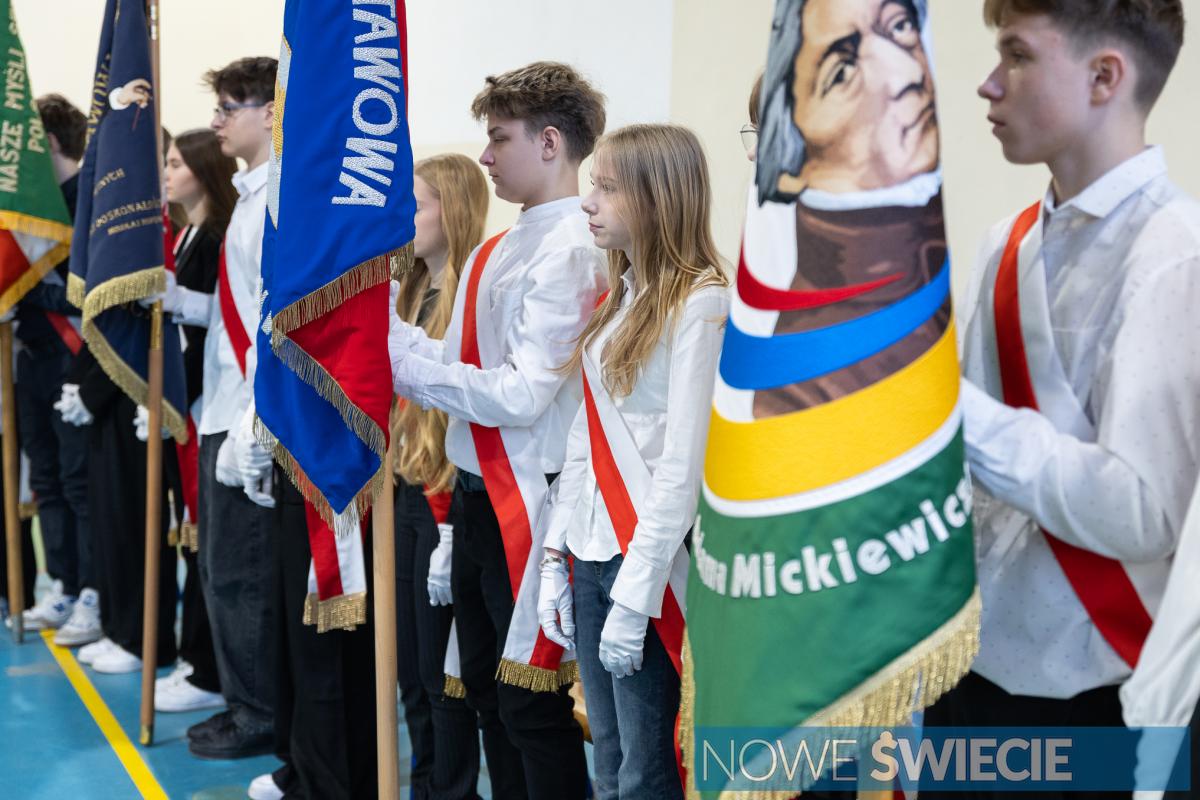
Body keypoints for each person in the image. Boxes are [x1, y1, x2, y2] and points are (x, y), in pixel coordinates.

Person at [922, 3, 1200, 799]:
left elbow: (1143, 511)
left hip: (1094, 695)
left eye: (1016, 55)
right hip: (971, 665)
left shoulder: (1178, 253)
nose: (988, 83)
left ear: (1104, 76)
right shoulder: (1005, 242)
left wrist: (946, 406)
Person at [390, 61, 607, 800]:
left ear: (550, 143)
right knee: (483, 689)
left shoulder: (571, 247)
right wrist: (389, 339)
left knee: (530, 701)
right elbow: (455, 363)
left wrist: (404, 367)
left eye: (499, 138)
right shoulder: (498, 247)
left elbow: (521, 394)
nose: (485, 156)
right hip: (479, 494)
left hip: (532, 503)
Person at [538, 123, 730, 800]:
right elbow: (584, 442)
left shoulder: (701, 302)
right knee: (610, 758)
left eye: (608, 188)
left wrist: (636, 596)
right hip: (592, 550)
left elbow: (682, 464)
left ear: (657, 197)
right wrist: (555, 556)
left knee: (647, 771)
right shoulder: (621, 298)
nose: (588, 202)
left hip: (647, 561)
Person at [749, 0, 948, 417]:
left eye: (899, 26)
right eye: (841, 73)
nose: (908, 74)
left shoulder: (971, 246)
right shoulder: (803, 369)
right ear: (786, 163)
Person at [183, 56, 279, 760]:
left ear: (271, 113)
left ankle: (260, 714)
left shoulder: (276, 201)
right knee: (218, 572)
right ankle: (241, 702)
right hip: (219, 407)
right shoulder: (246, 198)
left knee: (244, 577)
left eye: (229, 107)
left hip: (246, 416)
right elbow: (228, 317)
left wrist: (253, 422)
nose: (217, 121)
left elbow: (271, 321)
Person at [392, 154, 489, 799]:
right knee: (411, 668)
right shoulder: (409, 290)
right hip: (405, 490)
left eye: (417, 204)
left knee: (442, 672)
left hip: (444, 498)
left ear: (451, 212)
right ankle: (426, 784)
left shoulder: (465, 298)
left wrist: (449, 523)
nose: (404, 215)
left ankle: (449, 790)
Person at [147, 127, 237, 713]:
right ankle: (194, 656)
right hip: (187, 401)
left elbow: (226, 319)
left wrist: (182, 301)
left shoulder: (217, 236)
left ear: (203, 173)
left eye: (177, 163)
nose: (167, 172)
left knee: (204, 541)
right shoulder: (186, 234)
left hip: (209, 403)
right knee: (188, 536)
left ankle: (207, 668)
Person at [14, 95, 94, 645]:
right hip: (33, 358)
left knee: (77, 479)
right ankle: (64, 582)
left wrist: (22, 292)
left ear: (47, 142)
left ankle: (92, 588)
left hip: (74, 357)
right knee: (44, 478)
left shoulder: (86, 199)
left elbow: (86, 291)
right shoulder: (29, 208)